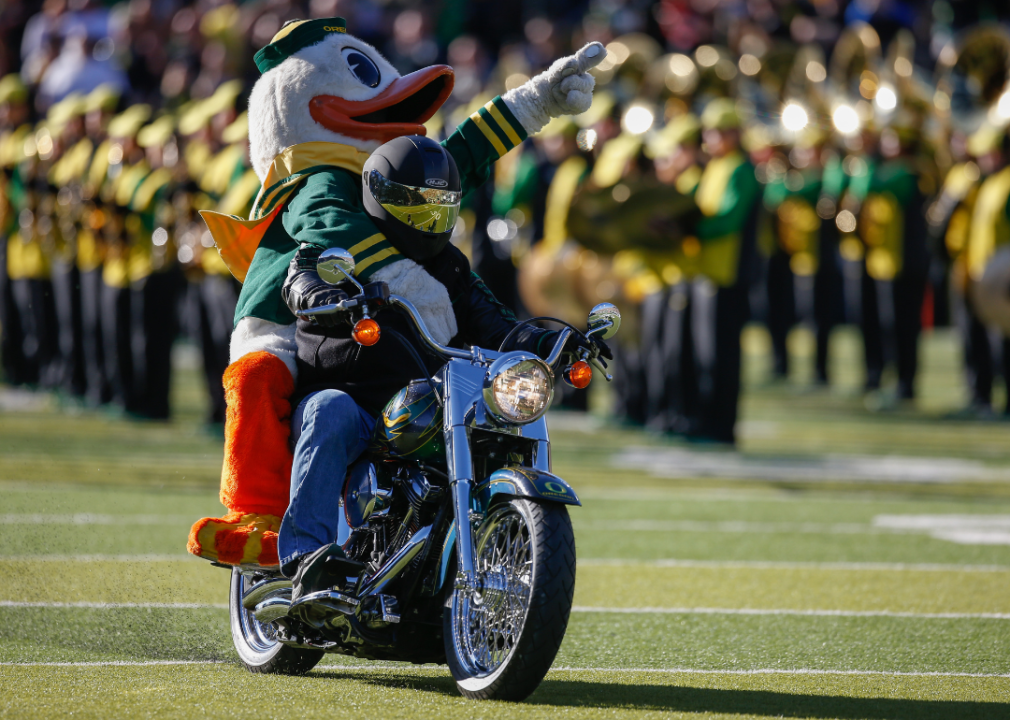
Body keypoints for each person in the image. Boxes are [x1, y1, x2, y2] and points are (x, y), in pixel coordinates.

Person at [278, 135, 606, 599]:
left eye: (442, 206)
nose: (432, 221)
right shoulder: (338, 240)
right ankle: (305, 560)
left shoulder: (450, 268)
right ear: (383, 197)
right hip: (355, 400)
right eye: (419, 208)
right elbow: (300, 277)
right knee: (328, 410)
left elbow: (498, 325)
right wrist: (328, 296)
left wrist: (554, 339)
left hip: (424, 402)